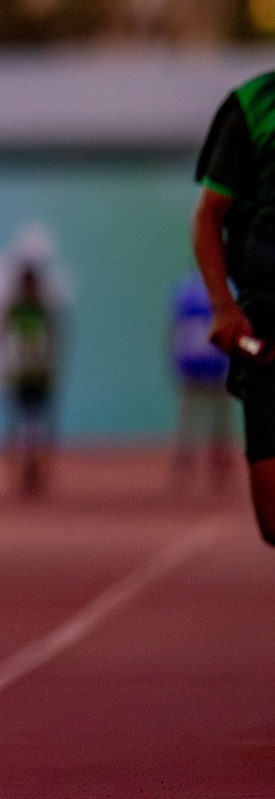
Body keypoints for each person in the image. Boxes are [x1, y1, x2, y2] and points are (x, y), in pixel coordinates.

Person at [191, 72, 275, 545]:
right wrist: (224, 307)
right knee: (272, 520)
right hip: (268, 322)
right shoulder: (254, 106)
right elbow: (208, 217)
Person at [0, 263, 61, 497]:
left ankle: (38, 469)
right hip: (20, 375)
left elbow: (54, 340)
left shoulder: (43, 310)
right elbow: (0, 335)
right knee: (20, 424)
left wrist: (51, 366)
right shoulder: (14, 310)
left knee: (38, 424)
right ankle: (20, 472)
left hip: (38, 375)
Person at [168, 272, 235, 493]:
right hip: (214, 367)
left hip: (198, 368)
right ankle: (214, 468)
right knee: (214, 422)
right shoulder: (225, 290)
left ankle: (189, 466)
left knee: (195, 421)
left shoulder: (185, 292)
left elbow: (175, 330)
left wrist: (177, 361)